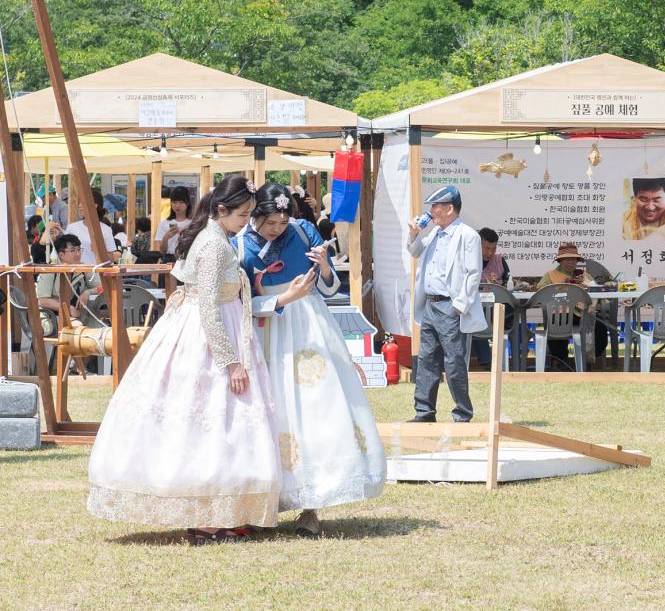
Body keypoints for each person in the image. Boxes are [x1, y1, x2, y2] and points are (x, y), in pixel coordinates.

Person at [87, 176, 316, 544]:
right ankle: (208, 516)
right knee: (212, 421)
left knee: (224, 423)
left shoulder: (216, 236)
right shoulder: (212, 244)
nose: (246, 221)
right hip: (209, 333)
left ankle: (222, 510)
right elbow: (208, 305)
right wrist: (230, 361)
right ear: (222, 210)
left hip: (219, 323)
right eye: (242, 215)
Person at [235, 183, 386, 537]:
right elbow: (239, 299)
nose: (279, 227)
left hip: (308, 325)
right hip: (266, 324)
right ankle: (264, 501)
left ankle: (311, 505)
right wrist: (279, 299)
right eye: (271, 222)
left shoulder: (303, 231)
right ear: (256, 216)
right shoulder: (240, 243)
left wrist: (325, 268)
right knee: (271, 411)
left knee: (313, 407)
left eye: (284, 219)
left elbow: (330, 288)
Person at [406, 185, 486, 422]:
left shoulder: (467, 235)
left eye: (436, 206)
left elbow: (473, 273)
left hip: (450, 306)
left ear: (450, 208)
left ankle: (462, 412)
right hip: (430, 305)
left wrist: (459, 306)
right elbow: (414, 251)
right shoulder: (435, 233)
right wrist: (413, 233)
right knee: (426, 359)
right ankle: (424, 411)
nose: (431, 211)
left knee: (454, 361)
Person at [536, 242, 609, 370]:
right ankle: (562, 361)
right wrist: (560, 287)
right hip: (559, 315)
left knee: (601, 329)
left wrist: (587, 284)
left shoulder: (584, 275)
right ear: (560, 260)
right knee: (555, 326)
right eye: (567, 259)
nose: (571, 262)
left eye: (573, 259)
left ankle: (585, 361)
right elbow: (540, 291)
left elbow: (596, 290)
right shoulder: (550, 275)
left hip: (582, 314)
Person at [35, 233, 97, 337]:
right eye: (72, 250)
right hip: (50, 317)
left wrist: (88, 292)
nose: (77, 254)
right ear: (61, 255)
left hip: (77, 315)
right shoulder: (49, 270)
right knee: (78, 329)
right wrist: (69, 309)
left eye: (79, 249)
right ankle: (71, 353)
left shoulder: (83, 268)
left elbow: (102, 287)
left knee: (100, 326)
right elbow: (42, 301)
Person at [471, 227, 510, 368]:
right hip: (475, 308)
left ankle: (515, 363)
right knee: (478, 315)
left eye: (493, 248)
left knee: (515, 315)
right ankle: (487, 362)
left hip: (498, 308)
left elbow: (507, 283)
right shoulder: (467, 260)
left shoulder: (500, 260)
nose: (490, 252)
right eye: (486, 248)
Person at [60, 189, 120, 265]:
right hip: (76, 273)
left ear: (95, 205)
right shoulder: (71, 228)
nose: (80, 206)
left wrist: (99, 250)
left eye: (83, 203)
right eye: (79, 202)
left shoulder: (106, 229)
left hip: (97, 274)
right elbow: (62, 252)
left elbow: (111, 259)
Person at [155, 186, 193, 263]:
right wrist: (166, 237)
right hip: (168, 261)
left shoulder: (193, 223)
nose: (177, 206)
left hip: (187, 260)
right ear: (171, 203)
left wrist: (184, 235)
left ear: (187, 203)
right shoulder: (164, 224)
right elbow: (162, 252)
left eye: (181, 202)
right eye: (174, 202)